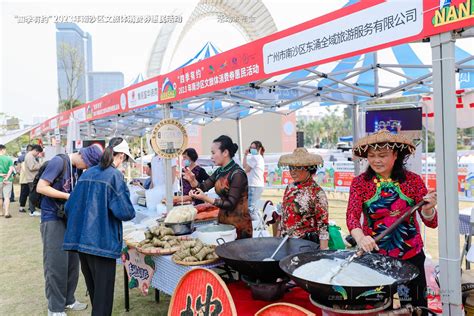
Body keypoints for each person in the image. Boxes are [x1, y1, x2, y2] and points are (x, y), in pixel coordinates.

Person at [346, 130, 437, 312]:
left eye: (382, 155)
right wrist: (361, 238)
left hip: (411, 256)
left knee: (415, 307)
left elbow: (432, 222)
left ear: (396, 155)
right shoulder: (360, 183)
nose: (376, 160)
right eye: (371, 156)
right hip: (376, 257)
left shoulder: (413, 181)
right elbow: (352, 217)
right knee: (377, 307)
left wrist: (428, 209)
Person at [63, 138, 136, 316]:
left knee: (96, 296)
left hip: (82, 242)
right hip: (102, 243)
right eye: (124, 159)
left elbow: (69, 206)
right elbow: (125, 212)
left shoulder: (87, 173)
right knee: (103, 301)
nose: (123, 164)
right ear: (120, 156)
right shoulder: (114, 175)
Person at [36, 145, 103, 316]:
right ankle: (55, 308)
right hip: (52, 218)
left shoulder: (77, 169)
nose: (86, 168)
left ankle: (69, 299)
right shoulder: (59, 161)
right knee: (56, 263)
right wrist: (69, 196)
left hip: (69, 218)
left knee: (73, 262)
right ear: (83, 157)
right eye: (87, 165)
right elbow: (41, 187)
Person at [185, 135, 252, 239]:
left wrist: (206, 198)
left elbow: (230, 204)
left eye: (213, 153)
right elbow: (203, 187)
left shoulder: (237, 174)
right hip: (224, 222)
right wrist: (193, 181)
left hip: (239, 226)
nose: (211, 157)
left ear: (225, 153)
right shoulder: (219, 171)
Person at [277, 148, 329, 249]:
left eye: (298, 168)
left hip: (306, 245)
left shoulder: (317, 193)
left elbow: (323, 226)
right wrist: (277, 239)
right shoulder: (290, 187)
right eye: (291, 167)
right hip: (286, 243)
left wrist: (323, 253)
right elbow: (284, 216)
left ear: (309, 168)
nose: (293, 172)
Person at [243, 141, 265, 215]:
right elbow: (245, 166)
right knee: (254, 208)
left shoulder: (255, 157)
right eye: (251, 147)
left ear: (259, 149)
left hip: (254, 185)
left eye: (254, 148)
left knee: (251, 209)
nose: (252, 149)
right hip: (258, 186)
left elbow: (246, 170)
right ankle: (259, 225)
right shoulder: (259, 157)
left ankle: (255, 225)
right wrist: (245, 155)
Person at [24, 144, 43, 216]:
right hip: (31, 178)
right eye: (38, 153)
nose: (38, 154)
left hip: (32, 178)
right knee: (33, 194)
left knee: (33, 193)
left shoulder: (31, 156)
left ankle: (32, 209)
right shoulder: (29, 156)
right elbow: (31, 167)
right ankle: (32, 211)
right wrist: (41, 165)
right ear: (35, 150)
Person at [0, 144, 15, 218]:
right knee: (6, 197)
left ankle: (0, 212)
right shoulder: (8, 159)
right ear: (2, 150)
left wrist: (1, 175)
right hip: (8, 180)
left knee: (0, 197)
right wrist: (7, 177)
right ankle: (6, 213)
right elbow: (11, 169)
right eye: (5, 150)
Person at [18, 145, 33, 213]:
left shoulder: (21, 157)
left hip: (23, 178)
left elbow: (18, 168)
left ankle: (21, 207)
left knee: (23, 193)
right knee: (31, 193)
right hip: (30, 178)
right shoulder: (33, 157)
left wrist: (19, 173)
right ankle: (30, 207)